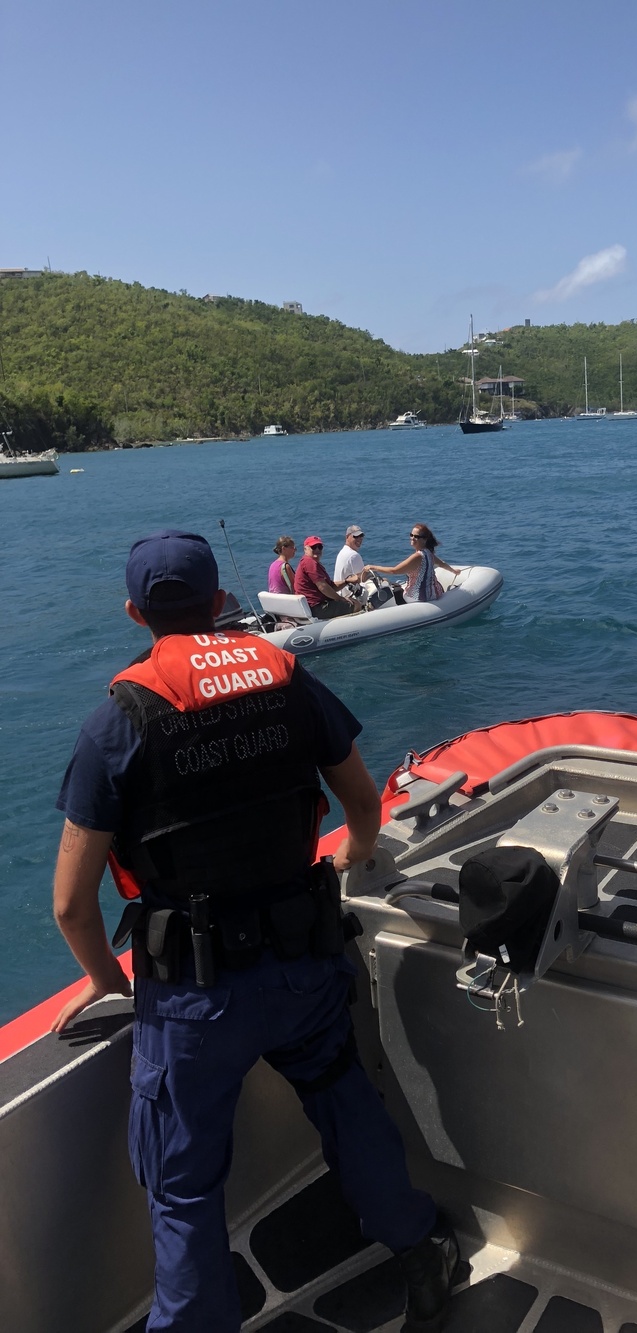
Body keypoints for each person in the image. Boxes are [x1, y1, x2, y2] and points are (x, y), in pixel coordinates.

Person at [51, 529, 460, 1333]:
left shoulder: (118, 720)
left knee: (184, 1185)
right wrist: (356, 855)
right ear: (218, 602)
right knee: (345, 1104)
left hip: (193, 1003)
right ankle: (422, 1250)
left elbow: (72, 903)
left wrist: (105, 980)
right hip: (303, 966)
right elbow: (363, 802)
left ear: (134, 613)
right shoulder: (285, 677)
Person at [363, 524, 461, 603]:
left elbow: (394, 571)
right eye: (411, 535)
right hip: (433, 594)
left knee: (394, 591)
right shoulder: (429, 553)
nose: (412, 538)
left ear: (424, 539)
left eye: (416, 537)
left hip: (417, 597)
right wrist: (454, 571)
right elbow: (442, 563)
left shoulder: (418, 556)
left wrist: (373, 567)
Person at [293, 536, 356, 618]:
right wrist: (339, 598)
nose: (317, 550)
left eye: (320, 547)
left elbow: (330, 587)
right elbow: (323, 587)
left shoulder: (311, 563)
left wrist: (347, 581)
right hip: (316, 608)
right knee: (356, 604)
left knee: (350, 602)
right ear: (305, 549)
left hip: (313, 607)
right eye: (313, 547)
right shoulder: (309, 562)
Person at [333, 524, 369, 606]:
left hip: (340, 596)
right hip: (349, 600)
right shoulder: (354, 556)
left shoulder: (342, 552)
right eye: (355, 536)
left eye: (361, 536)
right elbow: (361, 580)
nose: (359, 539)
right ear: (347, 537)